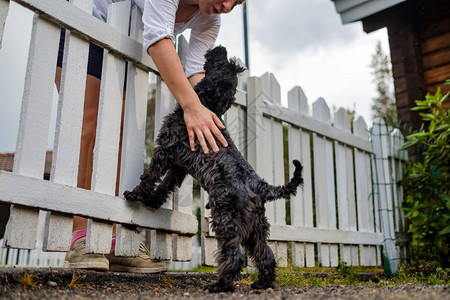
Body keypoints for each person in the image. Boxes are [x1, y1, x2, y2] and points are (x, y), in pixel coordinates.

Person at [56, 0, 245, 273]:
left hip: (121, 41)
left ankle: (110, 239)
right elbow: (158, 39)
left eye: (237, 2)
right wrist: (191, 107)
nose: (227, 5)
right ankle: (79, 237)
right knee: (90, 126)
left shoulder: (210, 19)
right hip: (88, 22)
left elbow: (195, 71)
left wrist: (209, 119)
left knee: (117, 136)